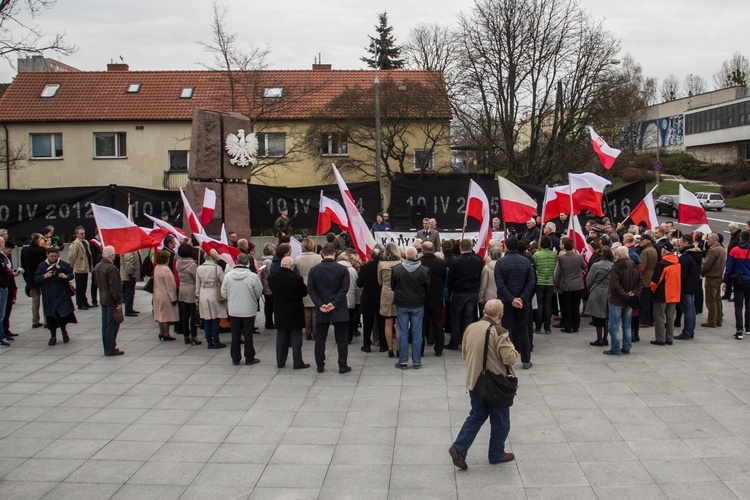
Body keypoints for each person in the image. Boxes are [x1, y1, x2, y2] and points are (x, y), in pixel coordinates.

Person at [448, 299, 518, 470]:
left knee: (477, 415)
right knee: (501, 421)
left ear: (484, 312)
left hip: (474, 381)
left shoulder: (470, 328)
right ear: (500, 315)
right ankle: (496, 454)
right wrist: (514, 350)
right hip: (495, 384)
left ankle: (459, 447)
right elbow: (509, 358)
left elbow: (465, 353)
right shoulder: (499, 331)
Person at [307, 244, 351, 374]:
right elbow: (344, 288)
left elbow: (311, 289)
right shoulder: (342, 269)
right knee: (341, 338)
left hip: (322, 309)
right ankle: (342, 365)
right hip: (339, 308)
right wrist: (334, 303)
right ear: (334, 254)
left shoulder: (314, 270)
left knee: (320, 338)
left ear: (322, 254)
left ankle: (320, 364)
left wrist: (320, 304)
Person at [495, 237, 536, 369]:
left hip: (507, 302)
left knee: (508, 330)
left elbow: (500, 284)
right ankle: (526, 359)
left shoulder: (500, 263)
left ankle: (508, 358)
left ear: (506, 247)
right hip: (522, 302)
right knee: (523, 329)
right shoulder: (526, 261)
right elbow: (531, 282)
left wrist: (512, 299)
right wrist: (522, 298)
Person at [268, 256, 310, 369]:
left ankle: (280, 361)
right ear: (291, 267)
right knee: (296, 338)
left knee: (281, 337)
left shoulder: (272, 278)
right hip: (294, 311)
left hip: (279, 311)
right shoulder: (296, 279)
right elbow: (303, 293)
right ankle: (298, 362)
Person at [392, 246, 430, 369]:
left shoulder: (396, 269)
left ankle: (403, 361)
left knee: (403, 333)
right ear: (416, 256)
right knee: (417, 333)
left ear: (405, 256)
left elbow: (393, 286)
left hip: (402, 303)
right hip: (417, 304)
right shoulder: (424, 270)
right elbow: (427, 287)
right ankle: (416, 361)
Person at [222, 253, 263, 365]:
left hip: (234, 309)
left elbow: (223, 293)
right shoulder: (252, 277)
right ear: (248, 263)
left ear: (236, 262)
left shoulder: (228, 276)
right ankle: (249, 357)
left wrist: (231, 299)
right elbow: (259, 292)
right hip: (248, 309)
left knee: (235, 334)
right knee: (248, 334)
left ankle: (235, 358)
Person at [605, 246, 644, 355]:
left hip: (618, 300)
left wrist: (626, 295)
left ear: (618, 255)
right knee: (627, 325)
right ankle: (627, 347)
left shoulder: (616, 267)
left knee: (614, 325)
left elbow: (614, 285)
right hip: (629, 300)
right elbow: (641, 282)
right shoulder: (634, 265)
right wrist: (633, 293)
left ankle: (615, 348)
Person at [34, 247, 77, 346]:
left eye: (55, 256)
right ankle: (52, 336)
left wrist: (65, 276)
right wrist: (44, 276)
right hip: (48, 295)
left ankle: (64, 332)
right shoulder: (42, 266)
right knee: (51, 317)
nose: (53, 258)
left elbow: (71, 274)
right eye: (51, 256)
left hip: (62, 294)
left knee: (62, 315)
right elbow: (36, 278)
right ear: (47, 255)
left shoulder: (63, 264)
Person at [446, 239, 483, 350]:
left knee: (455, 318)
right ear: (471, 247)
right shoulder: (477, 260)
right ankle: (466, 341)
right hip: (472, 292)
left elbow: (450, 279)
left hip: (459, 292)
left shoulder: (456, 261)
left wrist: (451, 289)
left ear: (460, 248)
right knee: (468, 318)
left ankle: (454, 342)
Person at [92, 245, 124, 356]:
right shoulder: (112, 268)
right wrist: (118, 301)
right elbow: (115, 287)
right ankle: (110, 348)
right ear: (111, 255)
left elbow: (96, 283)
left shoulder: (98, 266)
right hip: (111, 300)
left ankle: (107, 347)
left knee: (105, 325)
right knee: (112, 325)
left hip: (103, 298)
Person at [650, 241, 681, 346]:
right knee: (670, 317)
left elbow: (656, 281)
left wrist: (652, 290)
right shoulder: (677, 262)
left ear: (664, 250)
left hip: (662, 294)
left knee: (659, 316)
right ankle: (669, 338)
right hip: (674, 293)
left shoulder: (662, 264)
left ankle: (660, 338)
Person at [420, 241, 447, 356]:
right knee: (437, 323)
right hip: (436, 296)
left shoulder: (419, 262)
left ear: (422, 249)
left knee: (421, 323)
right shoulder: (441, 263)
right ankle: (439, 348)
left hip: (422, 297)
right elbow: (444, 280)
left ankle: (420, 350)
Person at [554, 238, 586, 333]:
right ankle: (576, 326)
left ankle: (568, 326)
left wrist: (556, 283)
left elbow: (558, 273)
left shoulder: (561, 258)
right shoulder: (578, 256)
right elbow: (584, 267)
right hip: (577, 284)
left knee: (567, 306)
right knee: (576, 306)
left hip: (566, 284)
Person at [196, 250, 226, 349]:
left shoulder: (199, 268)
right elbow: (224, 281)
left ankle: (209, 341)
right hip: (214, 293)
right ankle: (216, 341)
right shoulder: (217, 268)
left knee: (207, 319)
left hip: (203, 293)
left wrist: (197, 296)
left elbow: (197, 285)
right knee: (215, 319)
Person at [723, 230, 750, 339]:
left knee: (738, 305)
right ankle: (748, 328)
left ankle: (739, 330)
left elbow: (729, 267)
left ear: (740, 238)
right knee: (749, 305)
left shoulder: (735, 250)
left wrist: (725, 280)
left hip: (739, 281)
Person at [358, 246, 385, 353]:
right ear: (381, 256)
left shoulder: (364, 268)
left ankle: (366, 345)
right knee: (382, 323)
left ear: (370, 256)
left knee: (367, 324)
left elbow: (359, 283)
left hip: (368, 298)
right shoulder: (383, 267)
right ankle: (383, 345)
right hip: (380, 298)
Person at [295, 238, 323, 340]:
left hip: (303, 283)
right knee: (315, 309)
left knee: (307, 309)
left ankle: (307, 332)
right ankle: (315, 332)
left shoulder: (297, 258)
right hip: (315, 284)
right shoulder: (318, 258)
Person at [378, 243, 402, 357]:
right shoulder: (401, 263)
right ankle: (398, 348)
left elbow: (379, 280)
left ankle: (390, 348)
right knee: (398, 323)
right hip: (398, 293)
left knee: (388, 323)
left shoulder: (381, 264)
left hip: (386, 293)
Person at [675, 234, 702, 340]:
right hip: (693, 284)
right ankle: (691, 331)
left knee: (687, 310)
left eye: (681, 241)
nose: (680, 243)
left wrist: (678, 287)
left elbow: (682, 275)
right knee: (691, 309)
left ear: (686, 243)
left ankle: (687, 332)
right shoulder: (696, 254)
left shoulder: (686, 257)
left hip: (686, 286)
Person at [586, 246, 613, 346]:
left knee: (597, 316)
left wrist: (590, 289)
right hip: (609, 292)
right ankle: (605, 338)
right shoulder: (613, 265)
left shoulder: (596, 265)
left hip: (597, 291)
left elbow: (589, 280)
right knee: (606, 316)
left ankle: (599, 339)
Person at [21, 233, 47, 329]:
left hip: (31, 279)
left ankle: (35, 320)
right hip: (41, 277)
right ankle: (47, 320)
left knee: (35, 301)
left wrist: (27, 279)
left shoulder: (25, 250)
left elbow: (23, 266)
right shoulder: (42, 250)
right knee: (45, 299)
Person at [176, 244, 201, 345]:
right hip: (191, 289)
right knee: (193, 314)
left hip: (183, 288)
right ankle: (193, 335)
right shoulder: (192, 265)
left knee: (184, 314)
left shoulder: (178, 262)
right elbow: (197, 278)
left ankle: (186, 334)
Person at [701, 233, 727, 328]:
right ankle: (718, 319)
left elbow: (706, 264)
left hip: (711, 277)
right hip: (718, 276)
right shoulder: (721, 249)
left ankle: (712, 320)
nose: (707, 241)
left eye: (709, 239)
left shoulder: (713, 250)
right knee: (717, 299)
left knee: (711, 300)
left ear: (714, 240)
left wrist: (702, 273)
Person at [532, 236, 557, 334]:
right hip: (550, 281)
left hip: (539, 282)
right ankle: (547, 327)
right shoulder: (554, 255)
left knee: (539, 304)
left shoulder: (536, 255)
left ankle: (538, 327)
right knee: (548, 305)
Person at [152, 250, 178, 341]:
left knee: (160, 315)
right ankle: (166, 333)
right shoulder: (166, 270)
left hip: (157, 294)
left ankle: (161, 332)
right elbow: (170, 286)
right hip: (165, 295)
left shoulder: (157, 267)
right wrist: (174, 298)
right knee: (166, 316)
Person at [67, 225, 94, 310]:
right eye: (81, 233)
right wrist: (72, 265)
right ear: (77, 234)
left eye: (84, 233)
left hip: (85, 267)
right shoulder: (75, 244)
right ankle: (80, 303)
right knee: (79, 286)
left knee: (84, 286)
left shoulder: (85, 242)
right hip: (79, 267)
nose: (83, 235)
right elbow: (71, 256)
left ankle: (84, 301)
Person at [337, 251, 361, 344]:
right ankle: (348, 337)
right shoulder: (352, 270)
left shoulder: (335, 269)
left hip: (338, 298)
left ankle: (340, 336)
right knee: (350, 318)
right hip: (351, 296)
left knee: (339, 319)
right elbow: (356, 284)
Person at [638, 233, 658, 327]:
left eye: (642, 240)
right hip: (652, 277)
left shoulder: (645, 252)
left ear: (647, 241)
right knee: (650, 301)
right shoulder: (653, 249)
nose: (640, 242)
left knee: (645, 302)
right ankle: (651, 319)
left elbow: (642, 267)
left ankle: (644, 321)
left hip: (645, 279)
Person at [259, 243, 276, 329]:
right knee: (270, 304)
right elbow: (270, 273)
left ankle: (269, 321)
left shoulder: (265, 261)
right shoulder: (269, 261)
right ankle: (269, 322)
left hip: (266, 285)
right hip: (269, 286)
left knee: (268, 304)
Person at [120, 250, 141, 317]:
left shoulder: (131, 248)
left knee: (131, 292)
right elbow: (128, 261)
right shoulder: (128, 249)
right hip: (128, 275)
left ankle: (130, 308)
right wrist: (131, 272)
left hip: (130, 275)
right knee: (129, 292)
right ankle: (128, 310)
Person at [724, 222, 741, 300]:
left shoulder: (738, 237)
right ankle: (727, 294)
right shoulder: (734, 236)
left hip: (735, 260)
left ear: (735, 229)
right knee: (729, 278)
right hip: (732, 258)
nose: (730, 231)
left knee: (733, 278)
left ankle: (733, 295)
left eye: (731, 230)